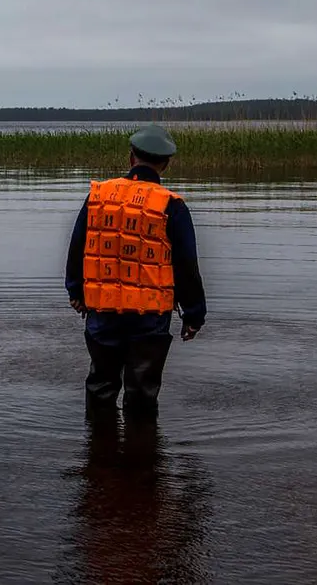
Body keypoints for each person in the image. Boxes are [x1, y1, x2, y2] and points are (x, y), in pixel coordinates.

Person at [65, 124, 207, 419]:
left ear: (131, 158)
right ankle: (143, 458)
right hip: (149, 317)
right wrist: (193, 316)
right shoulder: (172, 206)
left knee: (100, 387)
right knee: (142, 394)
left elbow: (79, 245)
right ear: (165, 164)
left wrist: (76, 291)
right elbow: (186, 265)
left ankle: (97, 455)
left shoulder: (98, 196)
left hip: (102, 311)